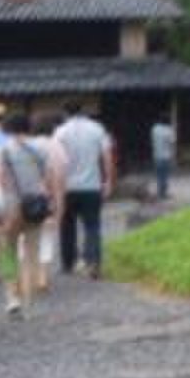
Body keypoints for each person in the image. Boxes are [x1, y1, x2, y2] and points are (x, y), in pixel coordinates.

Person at [0, 112, 53, 318]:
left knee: (6, 251)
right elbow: (48, 177)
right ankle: (28, 303)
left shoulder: (3, 150)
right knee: (31, 254)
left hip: (11, 206)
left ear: (8, 129)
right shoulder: (40, 149)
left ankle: (12, 298)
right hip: (35, 206)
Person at [53, 102, 114, 280]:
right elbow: (107, 157)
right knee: (92, 226)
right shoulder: (97, 129)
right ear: (83, 111)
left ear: (65, 113)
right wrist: (108, 181)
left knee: (66, 226)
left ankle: (68, 262)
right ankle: (93, 262)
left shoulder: (60, 132)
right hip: (91, 186)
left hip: (67, 187)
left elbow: (57, 162)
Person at [31, 113, 67, 294]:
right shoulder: (57, 146)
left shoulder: (27, 146)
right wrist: (60, 203)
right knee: (46, 238)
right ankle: (43, 276)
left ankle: (27, 275)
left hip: (26, 200)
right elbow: (60, 177)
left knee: (25, 239)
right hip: (48, 198)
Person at [150, 115, 177, 201]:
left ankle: (159, 192)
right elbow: (172, 143)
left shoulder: (154, 129)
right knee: (165, 175)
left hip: (156, 155)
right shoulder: (169, 130)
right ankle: (163, 193)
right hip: (166, 155)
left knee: (159, 175)